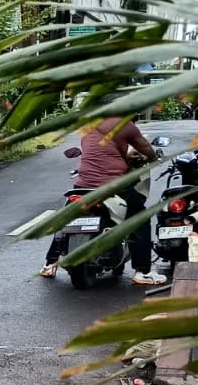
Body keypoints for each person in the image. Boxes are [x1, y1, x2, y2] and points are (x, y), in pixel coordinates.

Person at [41, 116, 167, 286]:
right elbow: (144, 147)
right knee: (139, 218)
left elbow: (100, 150)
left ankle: (49, 263)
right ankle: (143, 272)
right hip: (112, 187)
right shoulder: (125, 125)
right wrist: (152, 158)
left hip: (82, 186)